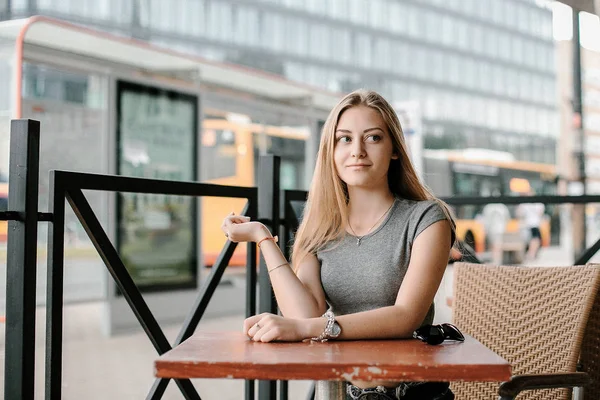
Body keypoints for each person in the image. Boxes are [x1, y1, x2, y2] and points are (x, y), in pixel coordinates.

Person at [221, 90, 456, 400]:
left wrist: (306, 330)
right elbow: (305, 314)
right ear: (330, 152)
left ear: (395, 150)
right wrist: (262, 238)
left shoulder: (427, 218)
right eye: (344, 139)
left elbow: (405, 317)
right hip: (339, 391)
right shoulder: (319, 227)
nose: (357, 151)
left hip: (409, 392)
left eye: (372, 138)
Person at [516, 190, 545, 261]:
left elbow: (519, 214)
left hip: (530, 224)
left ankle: (531, 254)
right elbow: (540, 213)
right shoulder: (537, 203)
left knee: (535, 239)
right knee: (535, 239)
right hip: (533, 224)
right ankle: (531, 254)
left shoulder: (525, 203)